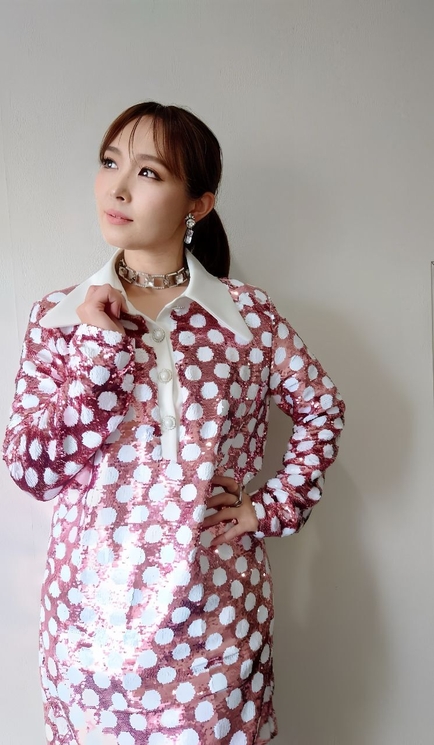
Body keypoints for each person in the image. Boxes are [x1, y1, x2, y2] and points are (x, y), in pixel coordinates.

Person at [2, 101, 345, 745]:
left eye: (148, 172)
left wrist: (271, 507)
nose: (118, 188)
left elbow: (321, 408)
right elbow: (32, 471)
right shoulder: (60, 318)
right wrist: (101, 353)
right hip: (90, 622)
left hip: (217, 621)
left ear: (199, 205)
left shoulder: (246, 315)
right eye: (110, 163)